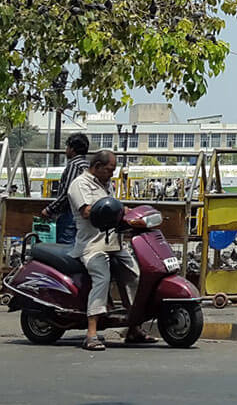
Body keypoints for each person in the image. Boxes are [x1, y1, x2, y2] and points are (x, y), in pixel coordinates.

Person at [67, 149, 155, 350]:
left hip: (114, 243)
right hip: (92, 245)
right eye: (109, 170)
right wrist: (115, 209)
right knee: (102, 278)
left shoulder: (106, 185)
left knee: (134, 276)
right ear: (97, 167)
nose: (112, 174)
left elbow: (116, 207)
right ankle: (91, 333)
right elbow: (88, 211)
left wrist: (132, 213)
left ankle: (134, 328)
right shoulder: (80, 184)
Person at [40, 133, 92, 247]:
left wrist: (49, 209)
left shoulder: (74, 165)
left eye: (67, 147)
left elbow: (68, 194)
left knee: (65, 248)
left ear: (72, 149)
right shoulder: (88, 165)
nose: (66, 150)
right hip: (83, 215)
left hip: (70, 214)